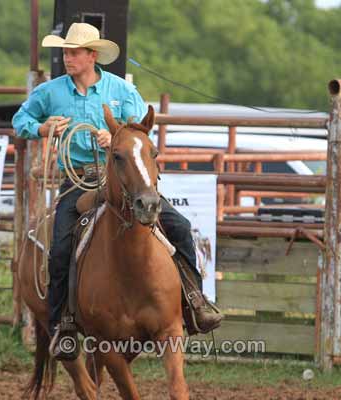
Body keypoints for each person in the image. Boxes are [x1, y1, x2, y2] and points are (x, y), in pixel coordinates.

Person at [12, 22, 222, 359]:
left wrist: (117, 138)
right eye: (65, 52)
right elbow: (20, 119)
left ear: (92, 55)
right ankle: (62, 325)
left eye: (74, 52)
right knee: (61, 246)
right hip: (77, 180)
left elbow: (140, 132)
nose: (67, 58)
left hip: (123, 179)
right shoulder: (51, 92)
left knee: (179, 227)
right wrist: (41, 126)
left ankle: (196, 301)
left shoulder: (120, 91)